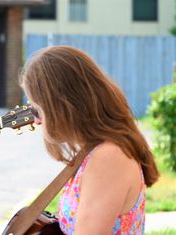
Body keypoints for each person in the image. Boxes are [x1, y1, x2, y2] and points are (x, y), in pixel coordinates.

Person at [20, 45, 159, 234]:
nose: (36, 120)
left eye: (36, 108)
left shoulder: (108, 157)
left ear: (61, 105)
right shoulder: (99, 150)